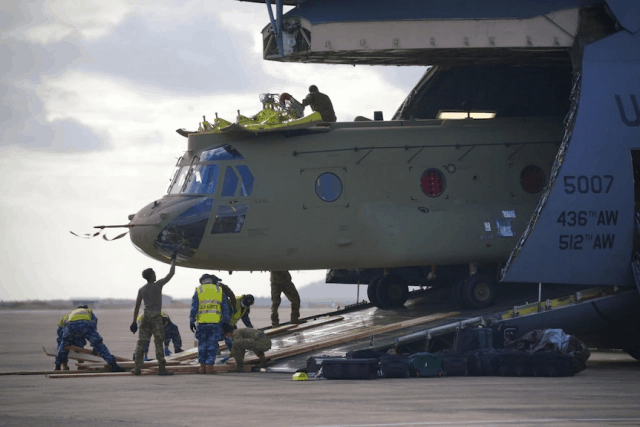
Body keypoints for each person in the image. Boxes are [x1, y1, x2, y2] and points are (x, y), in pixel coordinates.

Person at [130, 255, 177, 376]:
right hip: (156, 316)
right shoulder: (158, 285)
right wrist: (173, 261)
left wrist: (134, 321)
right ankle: (161, 368)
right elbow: (171, 274)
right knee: (158, 342)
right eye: (154, 274)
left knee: (141, 342)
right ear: (151, 276)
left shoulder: (142, 289)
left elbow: (137, 306)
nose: (156, 275)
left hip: (145, 316)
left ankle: (137, 368)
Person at [55, 305, 125, 372]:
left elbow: (60, 332)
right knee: (99, 346)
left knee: (63, 346)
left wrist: (64, 341)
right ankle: (113, 365)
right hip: (86, 325)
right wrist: (94, 346)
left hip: (71, 326)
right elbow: (94, 327)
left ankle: (57, 366)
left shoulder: (70, 315)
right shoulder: (89, 312)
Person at [190, 274, 230, 374]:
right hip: (215, 322)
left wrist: (191, 320)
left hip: (202, 323)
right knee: (212, 345)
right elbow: (225, 307)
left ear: (202, 281)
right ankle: (210, 367)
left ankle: (202, 367)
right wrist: (226, 322)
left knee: (202, 345)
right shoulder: (219, 290)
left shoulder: (199, 290)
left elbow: (194, 307)